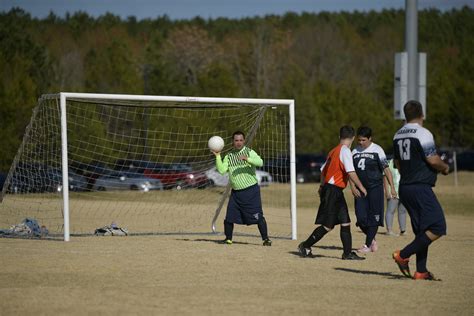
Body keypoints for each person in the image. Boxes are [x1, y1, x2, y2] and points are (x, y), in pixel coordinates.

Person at [392, 100, 449, 280]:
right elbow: (432, 159)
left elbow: (397, 164)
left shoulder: (397, 135)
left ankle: (421, 271)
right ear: (422, 115)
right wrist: (445, 167)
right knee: (438, 226)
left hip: (405, 186)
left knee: (421, 231)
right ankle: (403, 255)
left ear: (406, 115)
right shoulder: (423, 133)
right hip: (420, 186)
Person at [298, 125, 367, 260]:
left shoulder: (333, 151)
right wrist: (361, 187)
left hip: (333, 190)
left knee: (345, 221)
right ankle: (305, 245)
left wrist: (321, 186)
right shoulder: (345, 151)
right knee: (328, 225)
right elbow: (350, 172)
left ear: (339, 136)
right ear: (353, 138)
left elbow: (323, 171)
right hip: (333, 191)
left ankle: (347, 253)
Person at [212, 131, 272, 246]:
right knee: (229, 217)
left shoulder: (249, 152)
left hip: (251, 191)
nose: (238, 142)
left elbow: (260, 162)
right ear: (233, 142)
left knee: (258, 216)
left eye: (240, 140)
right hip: (236, 193)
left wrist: (248, 159)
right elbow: (221, 170)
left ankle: (266, 239)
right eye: (236, 140)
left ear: (244, 141)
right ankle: (228, 239)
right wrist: (218, 156)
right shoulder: (229, 156)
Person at [351, 126, 396, 253]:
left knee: (374, 218)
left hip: (375, 188)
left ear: (370, 138)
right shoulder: (354, 151)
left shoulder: (378, 150)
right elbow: (350, 171)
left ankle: (367, 245)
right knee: (360, 219)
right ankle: (372, 240)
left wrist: (392, 188)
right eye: (359, 140)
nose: (361, 143)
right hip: (360, 189)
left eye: (364, 140)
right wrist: (353, 186)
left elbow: (386, 170)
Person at [384, 159, 407, 236]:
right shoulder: (389, 163)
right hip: (393, 191)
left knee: (403, 210)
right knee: (391, 210)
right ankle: (389, 230)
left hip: (403, 191)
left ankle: (403, 230)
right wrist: (387, 191)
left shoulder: (405, 163)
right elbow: (385, 178)